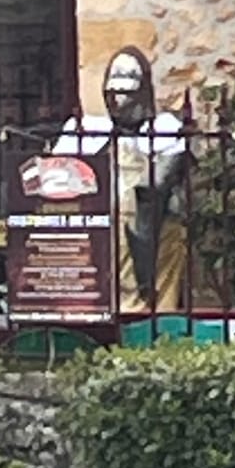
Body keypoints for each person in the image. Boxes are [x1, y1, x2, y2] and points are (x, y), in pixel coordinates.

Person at [55, 48, 188, 312]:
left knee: (158, 296)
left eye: (125, 93)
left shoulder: (163, 130)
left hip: (151, 224)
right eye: (113, 93)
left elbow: (160, 181)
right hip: (102, 225)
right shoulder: (88, 131)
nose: (118, 101)